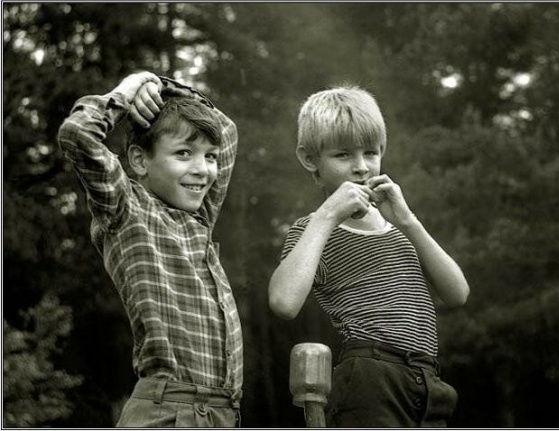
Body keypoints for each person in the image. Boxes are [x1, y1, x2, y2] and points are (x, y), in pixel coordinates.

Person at [268, 85, 470, 427]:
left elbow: (457, 293)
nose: (362, 167)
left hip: (428, 379)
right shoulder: (314, 229)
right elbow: (284, 302)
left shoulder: (401, 227)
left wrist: (407, 220)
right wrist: (327, 215)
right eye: (343, 155)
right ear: (309, 159)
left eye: (371, 153)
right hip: (371, 378)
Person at [57, 71, 243, 427]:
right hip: (170, 411)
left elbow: (227, 131)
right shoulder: (127, 209)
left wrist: (159, 84)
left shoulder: (199, 218)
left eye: (210, 157)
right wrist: (130, 88)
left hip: (223, 412)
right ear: (140, 161)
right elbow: (78, 134)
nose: (202, 170)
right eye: (184, 153)